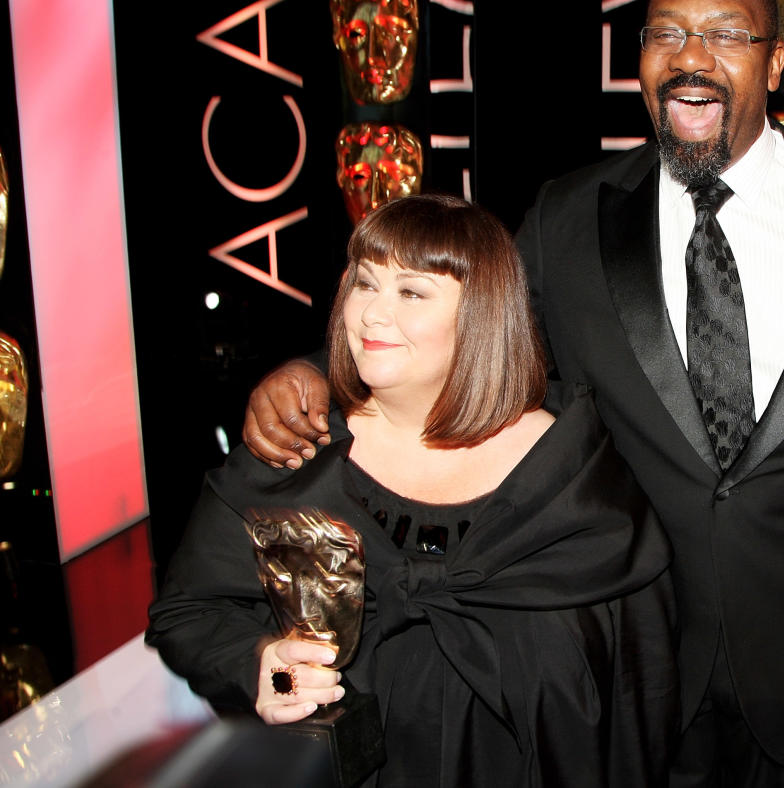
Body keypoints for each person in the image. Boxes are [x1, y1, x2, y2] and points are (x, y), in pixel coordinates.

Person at [243, 0, 784, 784]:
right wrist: (311, 372)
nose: (691, 55)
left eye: (726, 33)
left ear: (773, 64)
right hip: (634, 630)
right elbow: (459, 330)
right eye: (666, 32)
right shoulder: (568, 216)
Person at [148, 195, 678, 787]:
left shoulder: (572, 473)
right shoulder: (294, 460)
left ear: (480, 313)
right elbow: (188, 614)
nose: (372, 314)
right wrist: (269, 673)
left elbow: (641, 685)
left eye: (411, 292)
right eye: (365, 284)